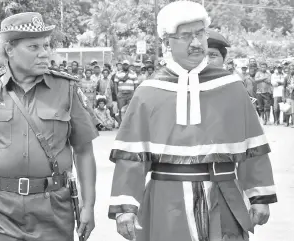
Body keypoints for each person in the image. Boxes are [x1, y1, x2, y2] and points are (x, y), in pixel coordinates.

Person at [108, 2, 277, 241]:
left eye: (200, 34)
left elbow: (252, 147)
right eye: (186, 36)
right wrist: (126, 207)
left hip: (223, 193)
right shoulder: (148, 92)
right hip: (166, 200)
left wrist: (259, 196)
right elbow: (132, 157)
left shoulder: (231, 87)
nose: (196, 43)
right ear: (167, 42)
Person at [0, 12, 97, 241]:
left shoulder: (66, 89)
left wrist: (89, 205)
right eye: (34, 47)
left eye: (46, 45)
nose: (44, 53)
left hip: (53, 210)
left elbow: (84, 151)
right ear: (9, 50)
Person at [113, 60, 138, 125]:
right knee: (121, 110)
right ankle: (121, 124)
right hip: (121, 93)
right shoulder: (118, 73)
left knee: (130, 109)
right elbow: (115, 83)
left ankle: (129, 124)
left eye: (126, 64)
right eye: (124, 64)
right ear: (122, 65)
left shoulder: (133, 74)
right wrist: (116, 93)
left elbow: (135, 85)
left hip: (130, 93)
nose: (125, 66)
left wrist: (135, 94)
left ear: (129, 66)